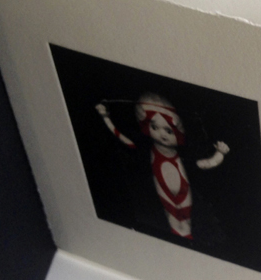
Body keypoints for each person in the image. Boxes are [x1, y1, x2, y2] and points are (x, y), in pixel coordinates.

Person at [95, 93, 229, 239]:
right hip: (161, 200)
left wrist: (220, 153)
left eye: (169, 130)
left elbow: (206, 164)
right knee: (172, 223)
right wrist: (105, 117)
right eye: (154, 127)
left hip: (184, 194)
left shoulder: (184, 159)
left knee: (187, 223)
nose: (162, 134)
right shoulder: (145, 150)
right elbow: (122, 138)